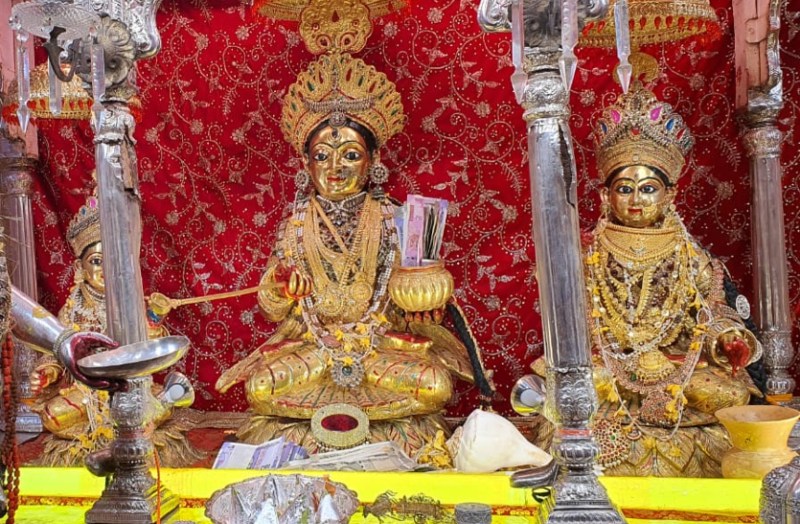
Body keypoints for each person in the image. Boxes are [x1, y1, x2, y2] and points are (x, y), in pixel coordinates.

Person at [215, 51, 490, 456]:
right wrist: (282, 287)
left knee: (435, 386)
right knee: (260, 388)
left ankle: (332, 424)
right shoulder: (295, 225)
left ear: (373, 161)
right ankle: (364, 423)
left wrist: (423, 301)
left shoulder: (396, 219)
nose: (335, 168)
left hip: (380, 349)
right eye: (322, 156)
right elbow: (270, 307)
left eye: (350, 155)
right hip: (314, 349)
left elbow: (418, 294)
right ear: (305, 163)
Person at [583, 85, 764, 476]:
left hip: (677, 370)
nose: (636, 200)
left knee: (728, 393)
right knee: (571, 385)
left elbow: (713, 309)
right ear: (606, 195)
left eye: (648, 189)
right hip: (611, 367)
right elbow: (576, 321)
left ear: (669, 194)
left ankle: (647, 409)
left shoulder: (689, 255)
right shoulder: (588, 256)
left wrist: (727, 338)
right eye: (624, 189)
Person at [29, 193, 195, 466]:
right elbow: (56, 350)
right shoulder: (71, 310)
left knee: (144, 402)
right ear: (79, 267)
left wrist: (153, 317)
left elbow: (148, 350)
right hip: (84, 393)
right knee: (52, 415)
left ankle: (163, 401)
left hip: (127, 386)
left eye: (111, 261)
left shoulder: (130, 303)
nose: (104, 269)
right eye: (96, 261)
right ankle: (150, 412)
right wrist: (47, 372)